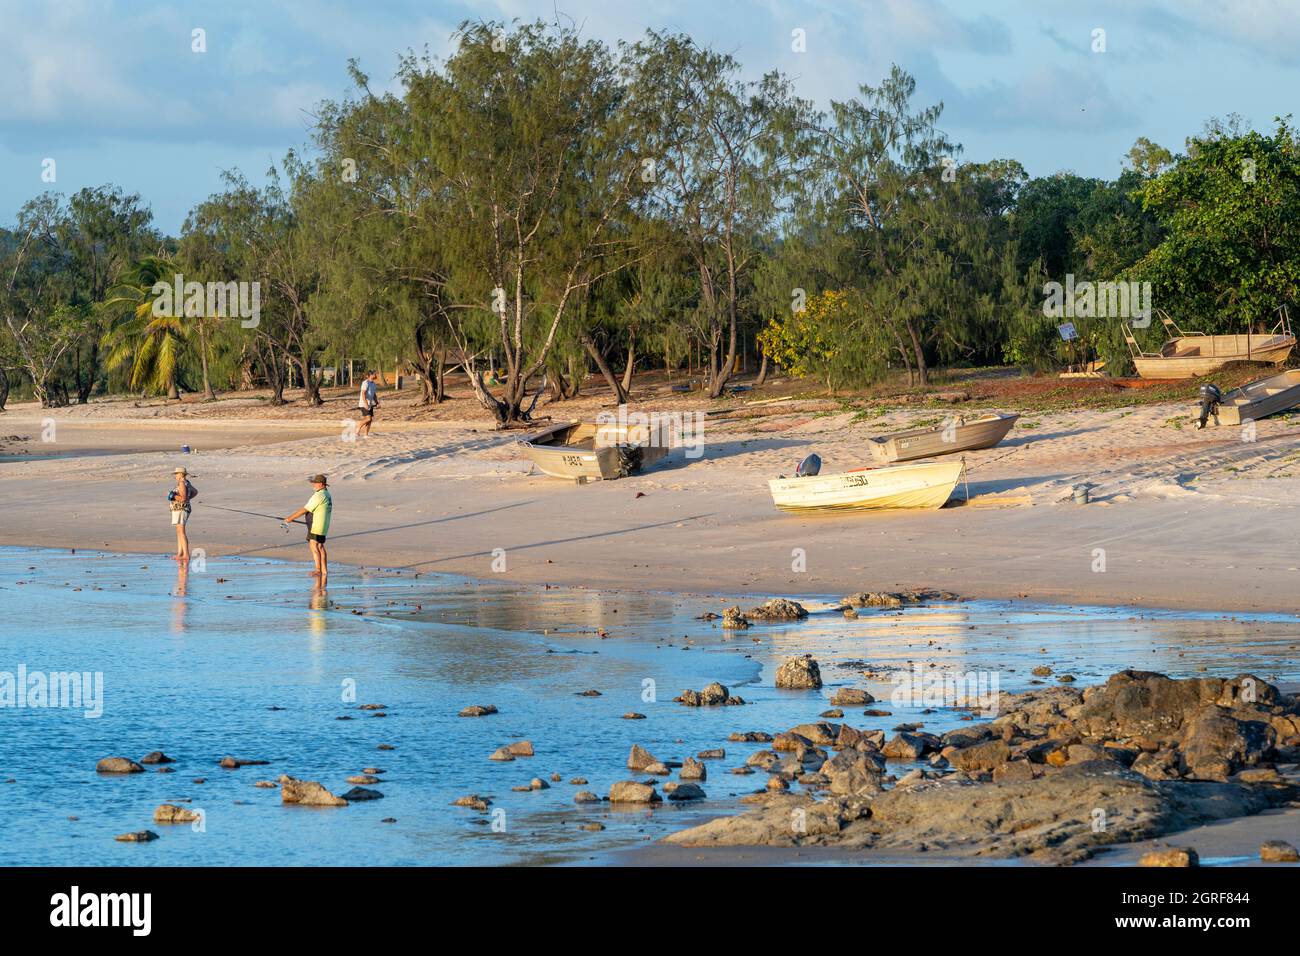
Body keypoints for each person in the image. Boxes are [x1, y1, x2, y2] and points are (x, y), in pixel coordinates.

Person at [285, 474, 332, 582]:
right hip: (323, 525)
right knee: (320, 547)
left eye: (315, 483)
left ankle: (318, 570)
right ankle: (324, 571)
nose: (314, 485)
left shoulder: (318, 495)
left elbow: (305, 509)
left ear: (320, 484)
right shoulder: (327, 494)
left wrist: (290, 518)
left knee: (314, 545)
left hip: (316, 525)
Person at [169, 467, 194, 565]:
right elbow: (195, 492)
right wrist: (188, 498)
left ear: (181, 474)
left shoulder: (182, 483)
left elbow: (182, 498)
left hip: (181, 509)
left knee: (181, 532)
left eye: (176, 474)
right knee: (179, 532)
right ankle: (180, 553)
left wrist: (173, 496)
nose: (175, 476)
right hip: (180, 509)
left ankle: (186, 554)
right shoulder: (187, 482)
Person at [357, 370, 379, 437]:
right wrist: (366, 403)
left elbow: (374, 395)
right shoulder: (365, 383)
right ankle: (358, 426)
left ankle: (366, 435)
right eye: (375, 374)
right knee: (368, 418)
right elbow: (363, 394)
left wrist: (377, 402)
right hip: (363, 404)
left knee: (370, 420)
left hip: (370, 404)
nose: (376, 375)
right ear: (371, 375)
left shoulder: (373, 384)